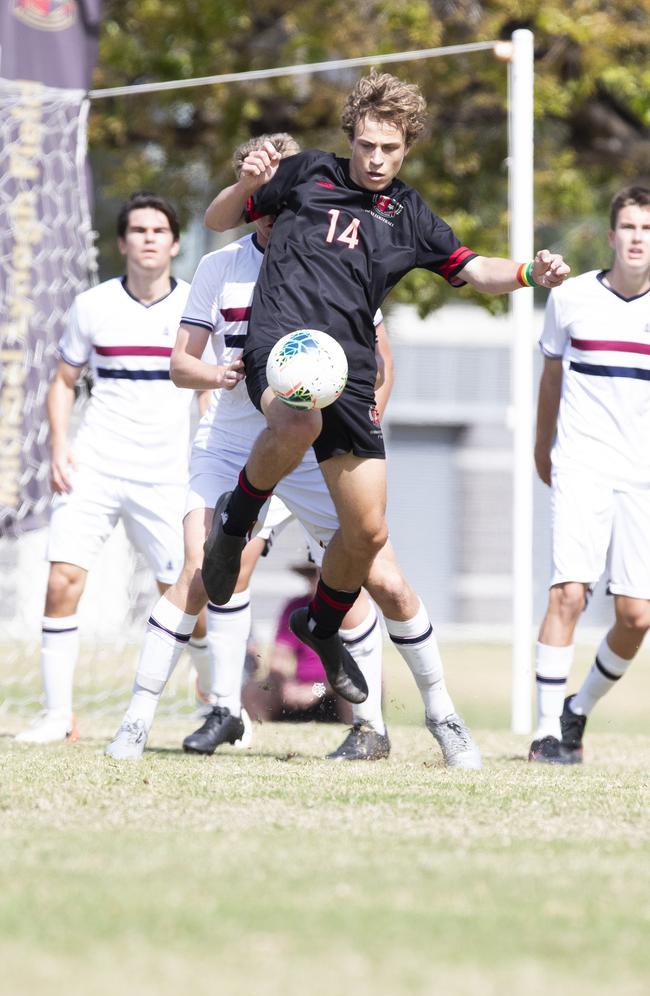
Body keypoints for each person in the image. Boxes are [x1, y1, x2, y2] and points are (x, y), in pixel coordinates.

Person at [105, 134, 479, 769]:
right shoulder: (220, 267)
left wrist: (369, 405)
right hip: (233, 442)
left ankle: (415, 722)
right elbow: (180, 362)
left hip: (315, 444)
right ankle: (140, 724)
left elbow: (379, 358)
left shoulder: (339, 256)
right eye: (270, 173)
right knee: (201, 572)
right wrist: (217, 376)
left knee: (378, 577)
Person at [201, 70, 570, 704]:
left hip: (347, 373)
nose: (376, 159)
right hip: (283, 348)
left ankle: (319, 623)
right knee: (297, 419)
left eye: (389, 149)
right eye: (367, 145)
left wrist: (528, 272)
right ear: (351, 138)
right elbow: (217, 220)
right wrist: (248, 183)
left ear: (406, 147)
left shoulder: (409, 215)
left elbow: (472, 269)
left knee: (367, 533)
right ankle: (234, 524)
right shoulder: (307, 173)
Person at [15, 192, 210, 744]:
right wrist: (58, 448)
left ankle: (216, 706)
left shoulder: (196, 306)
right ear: (122, 242)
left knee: (186, 595)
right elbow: (62, 381)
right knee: (62, 580)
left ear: (174, 243)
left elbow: (206, 393)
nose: (148, 238)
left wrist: (211, 460)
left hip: (168, 472)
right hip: (95, 465)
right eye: (138, 230)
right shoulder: (91, 305)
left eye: (159, 230)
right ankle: (57, 716)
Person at [528, 184, 650, 765]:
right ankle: (545, 731)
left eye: (647, 229)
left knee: (636, 616)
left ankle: (578, 711)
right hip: (581, 462)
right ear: (610, 235)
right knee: (569, 594)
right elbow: (551, 376)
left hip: (642, 475)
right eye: (629, 227)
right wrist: (541, 445)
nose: (637, 238)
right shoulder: (572, 298)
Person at [242, 554, 354, 724]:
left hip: (335, 693)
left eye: (317, 575)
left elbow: (352, 670)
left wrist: (317, 690)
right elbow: (278, 658)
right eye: (310, 575)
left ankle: (360, 733)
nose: (311, 581)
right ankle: (260, 735)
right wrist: (286, 685)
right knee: (254, 689)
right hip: (298, 691)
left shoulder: (352, 611)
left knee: (355, 688)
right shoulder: (296, 607)